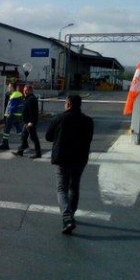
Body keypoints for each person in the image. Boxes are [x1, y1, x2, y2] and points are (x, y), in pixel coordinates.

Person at [45, 95, 94, 234]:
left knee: (62, 188)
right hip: (80, 159)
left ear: (68, 104)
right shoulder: (88, 121)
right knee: (74, 187)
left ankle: (67, 218)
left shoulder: (60, 118)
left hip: (63, 158)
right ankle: (71, 214)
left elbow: (48, 136)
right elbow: (89, 139)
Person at [13, 84, 42, 158]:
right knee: (23, 136)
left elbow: (33, 112)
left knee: (34, 138)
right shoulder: (27, 98)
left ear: (31, 91)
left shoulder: (31, 99)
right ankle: (20, 151)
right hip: (26, 122)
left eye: (27, 90)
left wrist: (31, 122)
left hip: (29, 122)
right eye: (24, 90)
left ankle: (38, 153)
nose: (25, 91)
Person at [0, 83, 24, 150]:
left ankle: (5, 145)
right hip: (17, 115)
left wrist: (7, 115)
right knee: (19, 130)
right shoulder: (18, 94)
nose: (8, 88)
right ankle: (24, 143)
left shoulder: (14, 95)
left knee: (6, 130)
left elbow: (11, 107)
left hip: (12, 115)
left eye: (9, 87)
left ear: (12, 87)